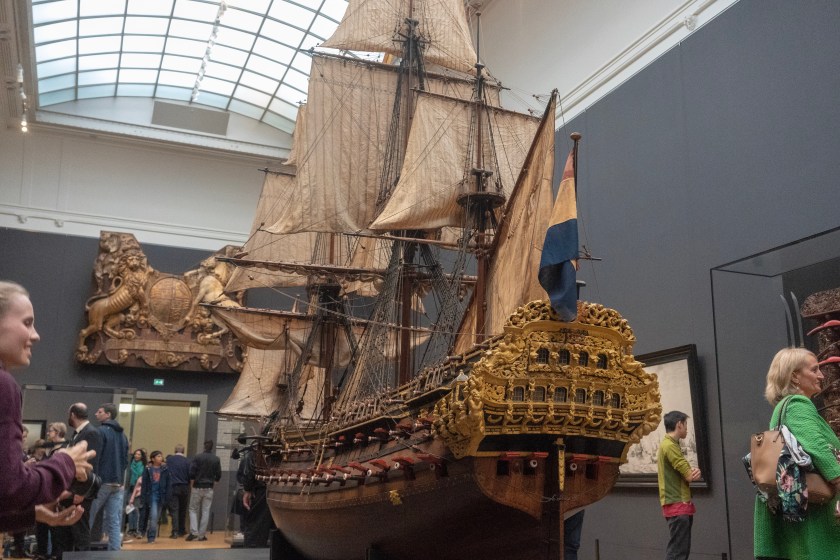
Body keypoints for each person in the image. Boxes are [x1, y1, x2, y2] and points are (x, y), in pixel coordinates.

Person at [0, 280, 95, 533]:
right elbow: (11, 488)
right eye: (27, 323)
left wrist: (28, 515)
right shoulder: (3, 385)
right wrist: (66, 462)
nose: (35, 335)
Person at [754, 347, 840, 560]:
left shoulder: (783, 407)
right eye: (814, 369)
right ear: (794, 376)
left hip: (802, 505)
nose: (821, 376)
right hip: (817, 513)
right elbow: (817, 447)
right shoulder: (798, 405)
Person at [657, 410, 701, 560]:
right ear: (679, 425)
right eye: (685, 424)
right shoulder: (669, 446)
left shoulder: (670, 444)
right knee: (677, 553)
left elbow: (687, 472)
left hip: (678, 504)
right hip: (676, 504)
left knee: (680, 552)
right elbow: (688, 475)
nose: (687, 428)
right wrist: (693, 473)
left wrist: (691, 473)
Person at [88, 403, 129, 550]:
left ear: (108, 414)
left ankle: (81, 551)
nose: (96, 414)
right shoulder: (123, 436)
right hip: (117, 483)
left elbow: (95, 457)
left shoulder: (100, 432)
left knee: (88, 518)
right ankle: (115, 553)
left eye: (99, 412)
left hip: (102, 482)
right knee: (114, 522)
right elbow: (125, 461)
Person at [239, 445, 275, 548]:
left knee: (256, 530)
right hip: (276, 489)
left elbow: (248, 473)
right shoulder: (258, 454)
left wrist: (247, 489)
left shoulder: (255, 454)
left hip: (261, 492)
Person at [186, 439, 221, 542]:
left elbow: (192, 472)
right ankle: (202, 535)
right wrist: (213, 484)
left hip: (197, 486)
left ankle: (194, 532)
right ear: (212, 447)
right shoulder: (216, 459)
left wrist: (192, 485)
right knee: (206, 511)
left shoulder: (198, 457)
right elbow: (218, 475)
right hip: (209, 487)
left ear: (204, 446)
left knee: (193, 509)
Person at [140, 450, 171, 544]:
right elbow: (144, 484)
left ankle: (150, 533)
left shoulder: (165, 469)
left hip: (161, 495)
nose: (160, 458)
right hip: (152, 495)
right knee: (153, 516)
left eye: (161, 456)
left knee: (156, 517)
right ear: (153, 459)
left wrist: (167, 497)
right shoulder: (148, 469)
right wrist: (143, 497)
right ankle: (151, 537)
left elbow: (168, 484)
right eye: (158, 456)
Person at [165, 444, 191, 538]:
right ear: (183, 451)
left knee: (174, 509)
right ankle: (182, 530)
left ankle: (175, 531)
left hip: (173, 486)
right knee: (183, 509)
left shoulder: (169, 460)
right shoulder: (188, 461)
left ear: (175, 450)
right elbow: (190, 474)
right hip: (185, 487)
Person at [125, 449, 146, 538]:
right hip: (129, 488)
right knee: (130, 509)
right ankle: (131, 529)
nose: (137, 456)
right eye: (136, 454)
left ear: (142, 456)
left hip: (138, 489)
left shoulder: (143, 466)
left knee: (136, 510)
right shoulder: (129, 465)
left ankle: (136, 529)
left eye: (139, 454)